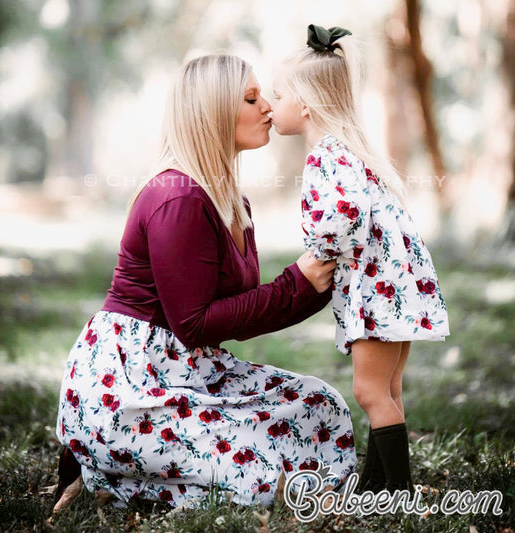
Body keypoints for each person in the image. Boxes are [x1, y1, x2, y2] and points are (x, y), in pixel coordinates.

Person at [54, 54, 356, 511]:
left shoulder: (230, 200)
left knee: (320, 405)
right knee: (252, 479)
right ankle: (100, 476)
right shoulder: (177, 197)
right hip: (131, 383)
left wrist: (324, 282)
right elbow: (194, 324)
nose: (269, 108)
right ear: (213, 110)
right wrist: (298, 282)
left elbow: (239, 314)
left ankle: (129, 474)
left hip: (193, 370)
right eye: (252, 99)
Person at [270, 25, 450, 494]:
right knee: (387, 393)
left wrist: (319, 249)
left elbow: (345, 214)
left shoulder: (325, 156)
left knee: (371, 393)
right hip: (394, 284)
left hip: (377, 289)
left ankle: (400, 494)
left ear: (305, 104)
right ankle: (377, 487)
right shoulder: (348, 151)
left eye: (278, 96)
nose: (271, 107)